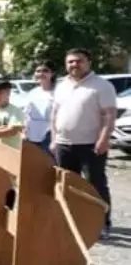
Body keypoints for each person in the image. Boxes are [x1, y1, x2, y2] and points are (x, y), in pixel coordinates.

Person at [51, 48, 116, 236]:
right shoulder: (62, 85)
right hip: (64, 144)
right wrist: (54, 139)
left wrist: (103, 139)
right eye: (70, 61)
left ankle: (102, 224)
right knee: (67, 185)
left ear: (89, 63)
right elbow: (55, 114)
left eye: (79, 61)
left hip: (91, 145)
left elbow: (109, 115)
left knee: (95, 185)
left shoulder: (102, 86)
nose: (74, 65)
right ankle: (72, 222)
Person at [22, 62, 56, 155]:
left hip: (50, 136)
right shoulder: (33, 93)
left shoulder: (58, 92)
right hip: (32, 136)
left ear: (52, 73)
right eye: (38, 71)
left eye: (45, 71)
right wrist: (24, 132)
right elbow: (26, 114)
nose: (41, 73)